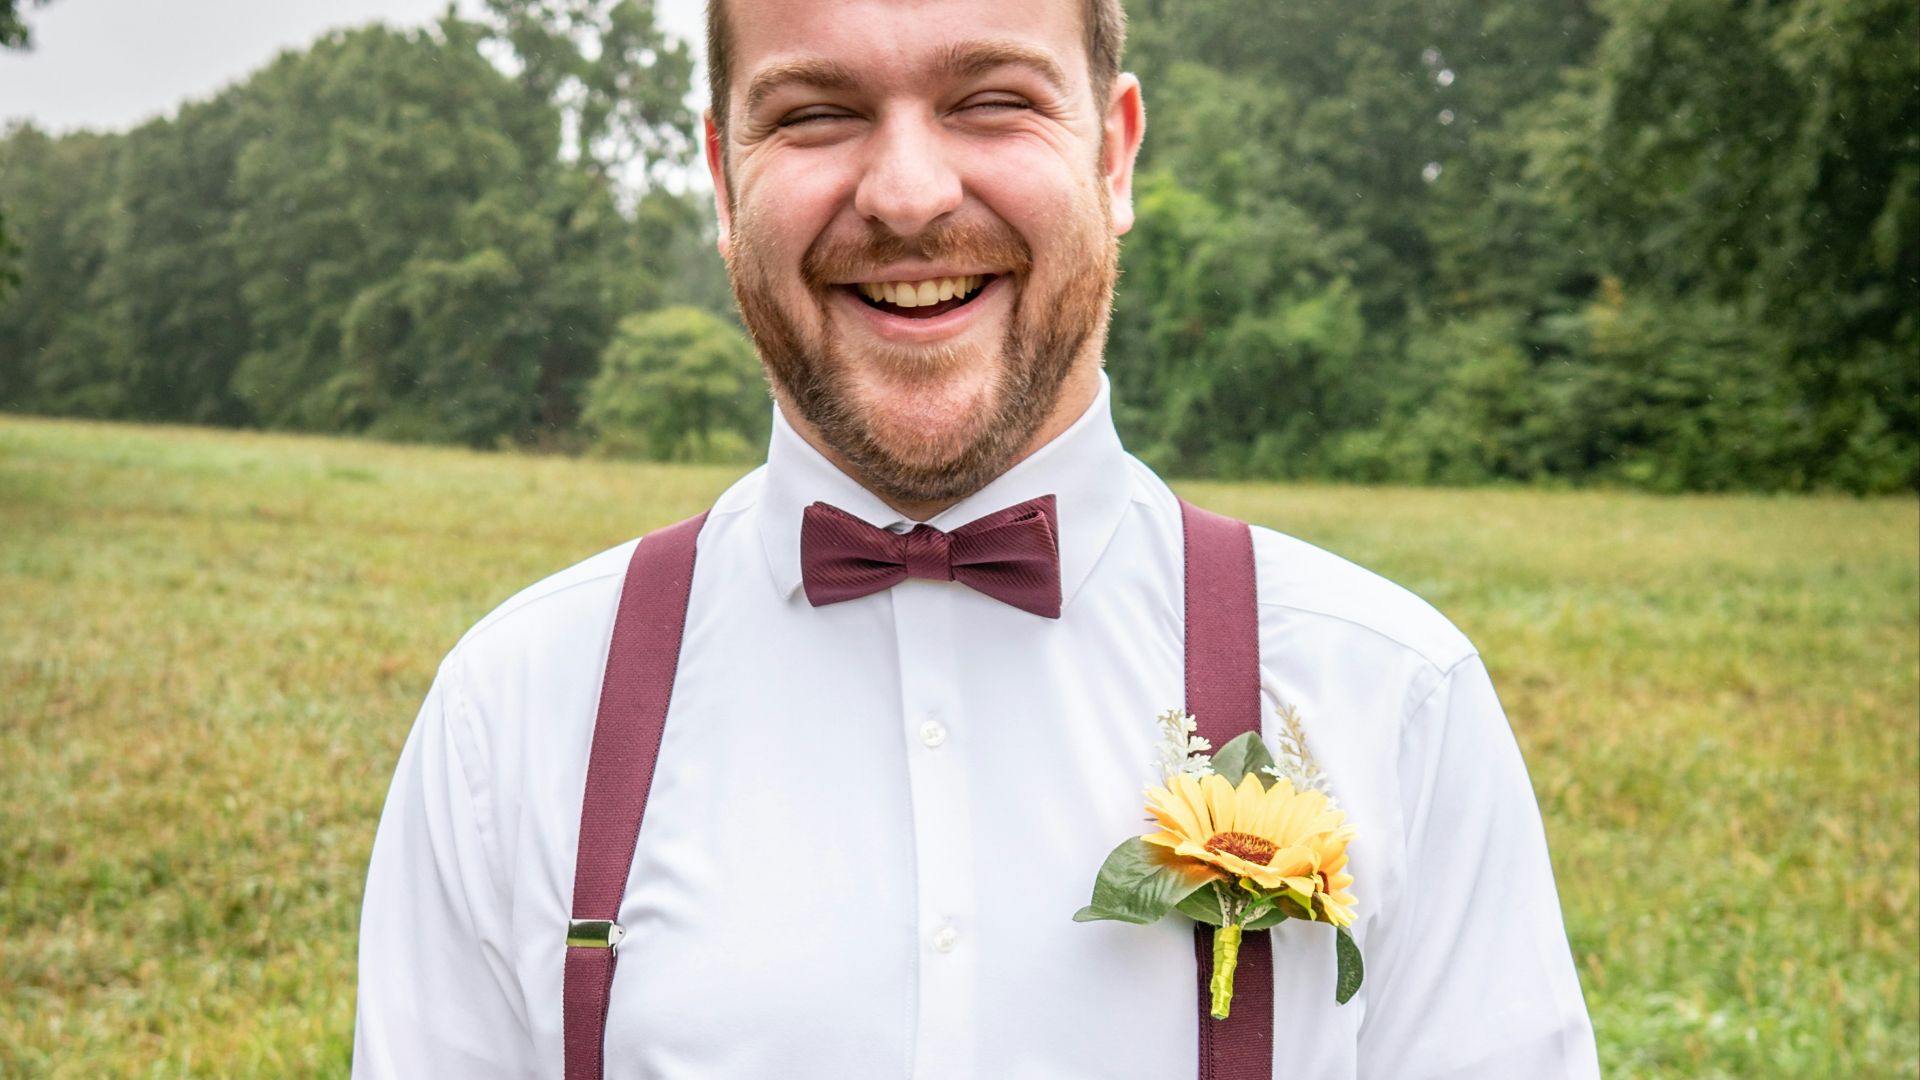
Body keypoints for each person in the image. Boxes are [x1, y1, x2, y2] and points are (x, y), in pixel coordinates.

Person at [352, 0, 1602, 1076]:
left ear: (1113, 156)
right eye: (815, 114)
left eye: (992, 101)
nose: (907, 195)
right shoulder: (510, 718)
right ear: (725, 183)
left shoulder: (1394, 697)